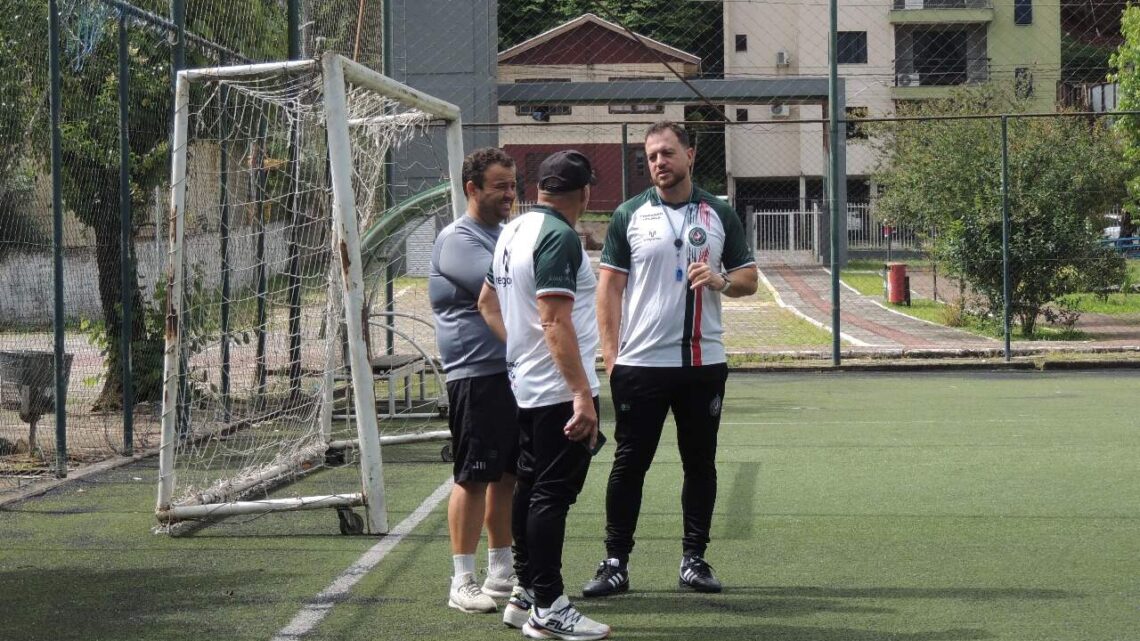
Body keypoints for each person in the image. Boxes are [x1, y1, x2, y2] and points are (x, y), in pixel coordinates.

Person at [583, 121, 758, 598]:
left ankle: (694, 560)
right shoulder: (629, 215)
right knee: (629, 463)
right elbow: (609, 289)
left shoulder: (720, 212)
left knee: (699, 463)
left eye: (666, 153)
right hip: (640, 365)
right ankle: (615, 561)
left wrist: (722, 281)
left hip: (704, 363)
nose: (658, 163)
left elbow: (749, 279)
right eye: (651, 156)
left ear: (690, 154)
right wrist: (612, 356)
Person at [478, 150, 610, 640]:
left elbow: (486, 302)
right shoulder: (558, 237)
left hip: (529, 383)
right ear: (586, 193)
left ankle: (526, 593)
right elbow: (554, 319)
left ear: (539, 189)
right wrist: (580, 392)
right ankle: (550, 607)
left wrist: (521, 349)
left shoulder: (513, 230)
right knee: (550, 495)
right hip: (557, 388)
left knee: (532, 487)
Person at [428, 147, 520, 614]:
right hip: (475, 376)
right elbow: (507, 289)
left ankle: (501, 570)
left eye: (512, 184)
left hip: (510, 373)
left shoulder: (502, 233)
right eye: (500, 185)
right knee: (472, 476)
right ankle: (461, 580)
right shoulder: (457, 239)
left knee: (508, 475)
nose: (510, 194)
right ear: (472, 189)